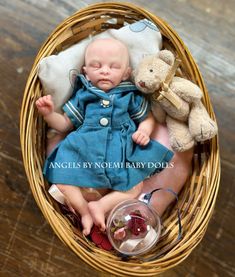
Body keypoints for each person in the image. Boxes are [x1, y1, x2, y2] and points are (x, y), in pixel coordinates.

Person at [36, 38, 175, 235]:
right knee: (62, 179)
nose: (105, 71)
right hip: (82, 149)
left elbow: (148, 118)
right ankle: (84, 211)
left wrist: (144, 131)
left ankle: (100, 206)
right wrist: (49, 113)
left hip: (120, 152)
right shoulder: (84, 94)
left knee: (135, 185)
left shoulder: (130, 95)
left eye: (114, 66)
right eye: (96, 65)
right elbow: (65, 124)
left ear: (127, 73)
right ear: (85, 71)